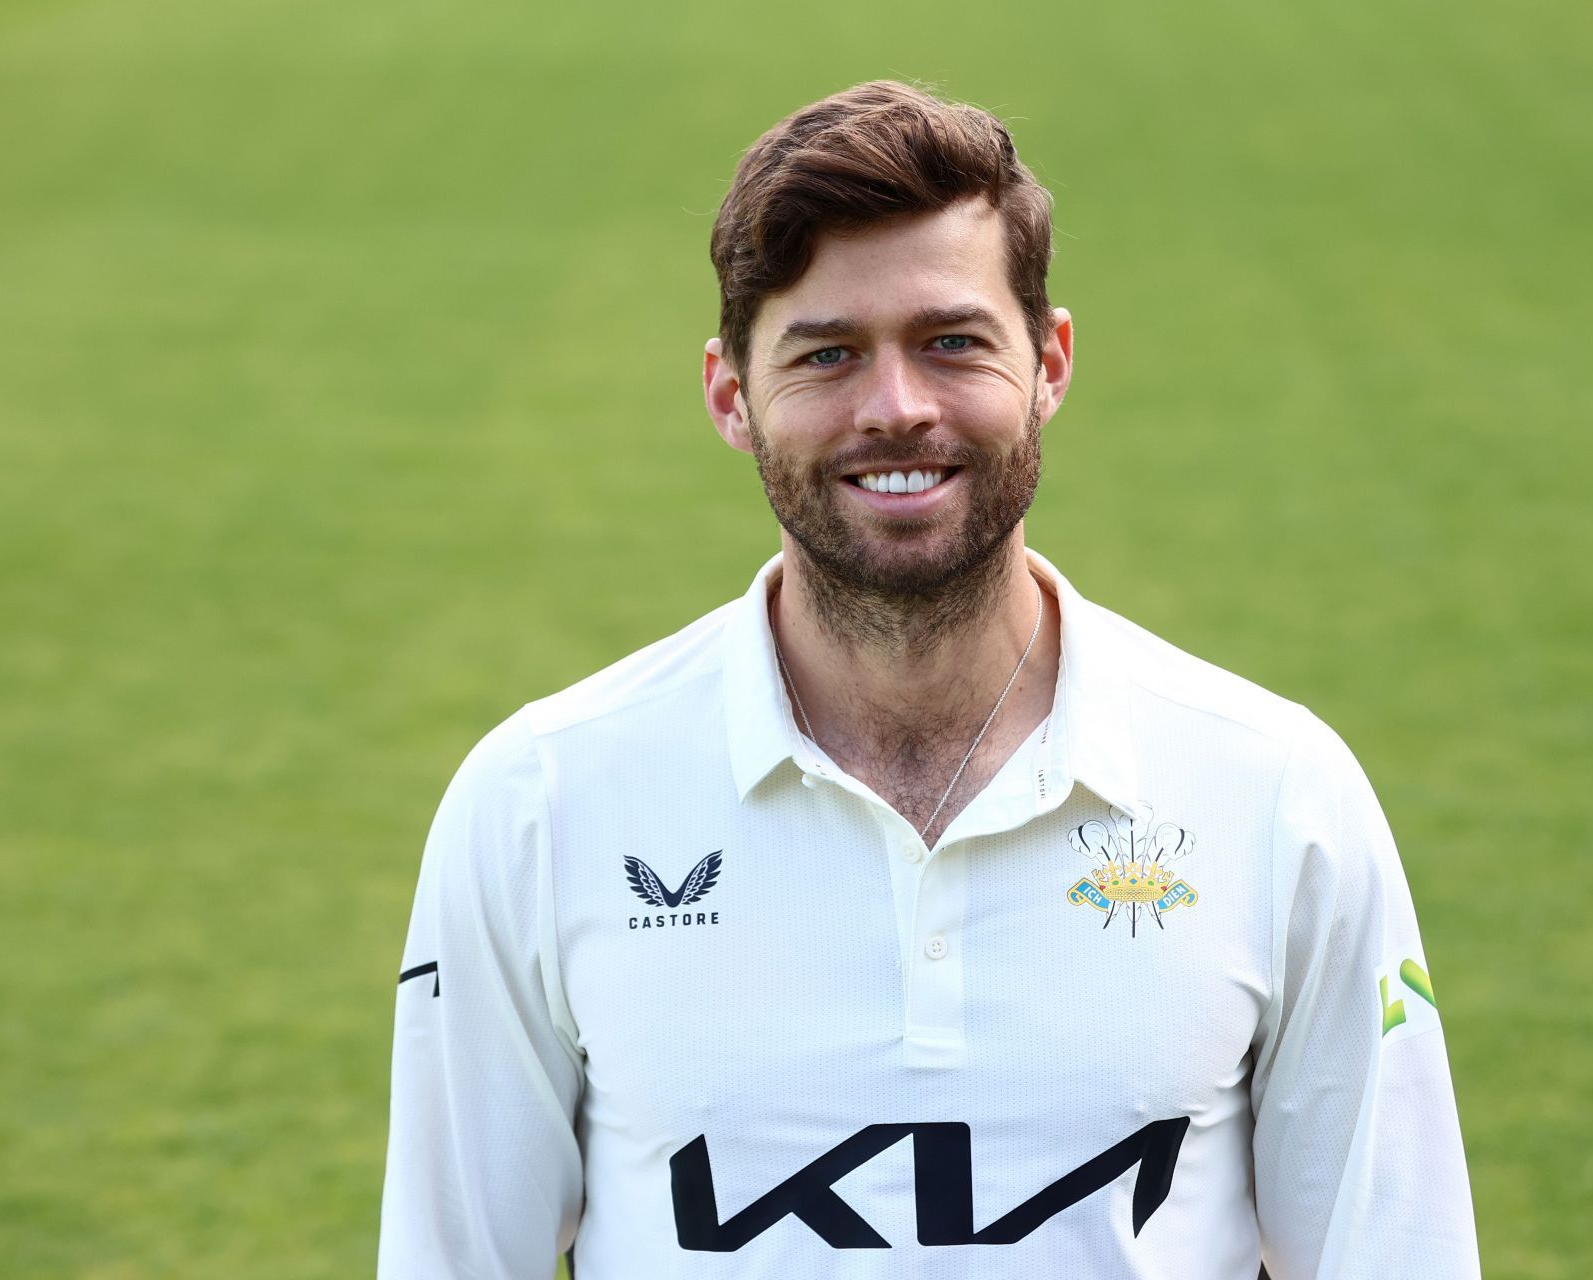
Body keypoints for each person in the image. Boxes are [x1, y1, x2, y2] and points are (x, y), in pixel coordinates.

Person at [377, 80, 1480, 1279]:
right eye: (827, 355)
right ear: (729, 394)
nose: (895, 408)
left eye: (952, 342)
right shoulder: (542, 800)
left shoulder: (1273, 792)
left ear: (1049, 362)